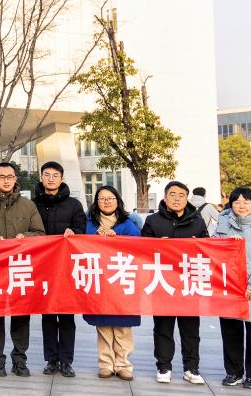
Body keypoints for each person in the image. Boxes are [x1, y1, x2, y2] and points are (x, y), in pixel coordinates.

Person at [0, 161, 44, 377]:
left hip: (20, 268)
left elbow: (40, 233)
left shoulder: (28, 206)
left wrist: (26, 236)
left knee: (21, 315)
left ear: (16, 179)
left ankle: (19, 359)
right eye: (2, 177)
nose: (6, 181)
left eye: (10, 177)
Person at [142, 180, 208, 384]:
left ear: (187, 198)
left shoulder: (197, 221)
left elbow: (208, 249)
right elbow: (141, 249)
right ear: (165, 197)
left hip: (189, 283)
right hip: (162, 282)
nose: (177, 199)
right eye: (173, 194)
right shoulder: (153, 220)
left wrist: (199, 245)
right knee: (163, 327)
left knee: (191, 329)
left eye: (181, 195)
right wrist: (156, 246)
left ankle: (191, 368)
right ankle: (164, 366)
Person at [212, 187, 251, 390]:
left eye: (246, 202)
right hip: (228, 287)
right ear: (230, 204)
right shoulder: (222, 223)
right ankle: (233, 372)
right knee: (231, 333)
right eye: (237, 202)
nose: (241, 206)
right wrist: (225, 243)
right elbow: (212, 250)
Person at [81, 185, 141, 381]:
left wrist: (119, 240)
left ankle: (123, 364)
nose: (106, 202)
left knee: (123, 326)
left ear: (118, 201)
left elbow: (139, 246)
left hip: (122, 280)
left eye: (110, 198)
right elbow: (81, 246)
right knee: (104, 325)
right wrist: (97, 238)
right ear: (96, 202)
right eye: (102, 198)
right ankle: (105, 363)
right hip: (100, 280)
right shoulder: (89, 223)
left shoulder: (129, 223)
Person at [33, 161, 85, 378]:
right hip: (42, 267)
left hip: (66, 269)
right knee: (47, 315)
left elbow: (82, 230)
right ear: (41, 177)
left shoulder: (74, 205)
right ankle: (51, 360)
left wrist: (74, 232)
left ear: (61, 179)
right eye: (47, 175)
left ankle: (66, 361)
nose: (51, 178)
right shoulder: (33, 204)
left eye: (55, 175)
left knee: (66, 317)